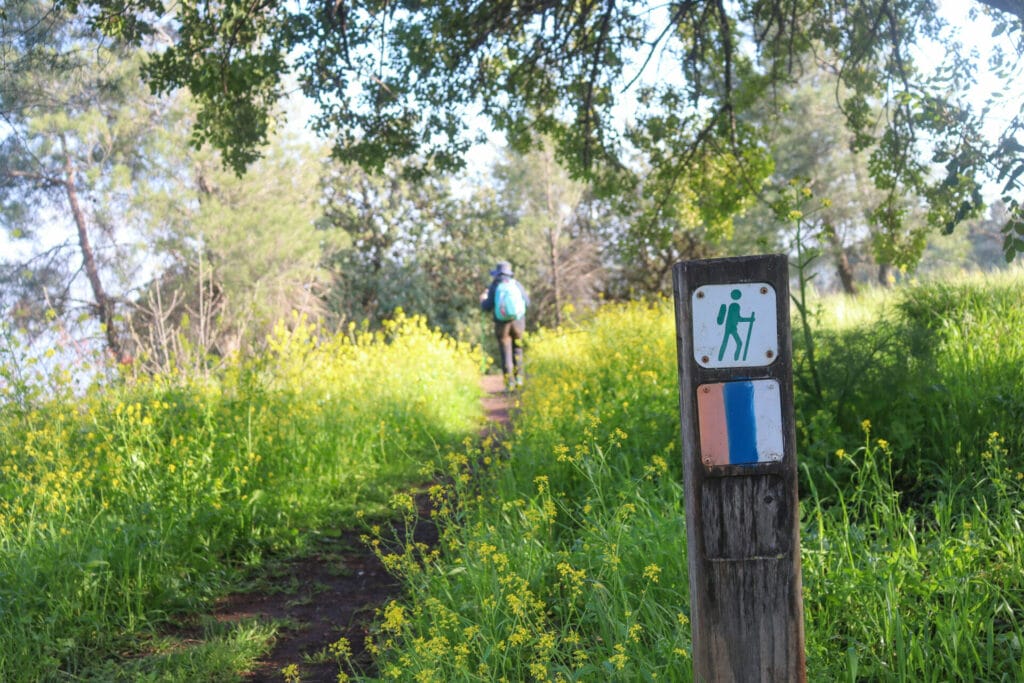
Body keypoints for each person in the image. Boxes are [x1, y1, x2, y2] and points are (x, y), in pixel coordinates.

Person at [480, 261, 529, 391]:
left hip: (502, 324)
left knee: (505, 352)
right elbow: (527, 303)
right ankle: (519, 380)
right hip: (518, 321)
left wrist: (483, 299)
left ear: (497, 274)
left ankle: (509, 384)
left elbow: (487, 306)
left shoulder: (495, 286)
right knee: (518, 350)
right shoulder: (517, 284)